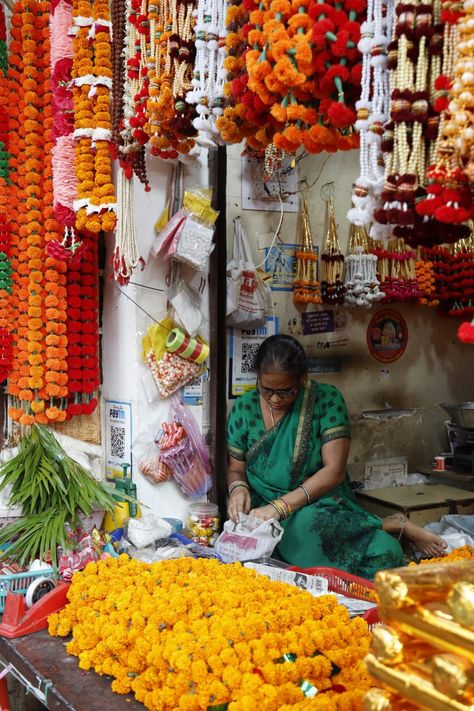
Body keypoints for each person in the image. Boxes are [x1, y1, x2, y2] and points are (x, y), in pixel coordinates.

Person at [226, 335, 447, 579]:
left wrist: (281, 507)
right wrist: (237, 488)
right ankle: (383, 523)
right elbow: (236, 469)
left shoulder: (326, 400)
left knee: (386, 554)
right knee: (273, 545)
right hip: (264, 509)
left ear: (303, 379)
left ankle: (394, 524)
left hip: (316, 503)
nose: (275, 399)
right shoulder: (244, 408)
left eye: (285, 391)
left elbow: (334, 471)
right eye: (267, 389)